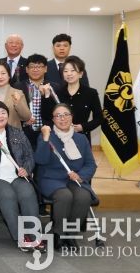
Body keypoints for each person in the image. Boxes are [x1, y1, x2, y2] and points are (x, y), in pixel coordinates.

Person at [0, 101, 45, 252]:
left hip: (16, 177)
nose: (0, 116)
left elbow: (29, 156)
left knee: (28, 193)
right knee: (7, 195)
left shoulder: (17, 132)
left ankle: (34, 236)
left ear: (8, 115)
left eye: (3, 113)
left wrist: (26, 169)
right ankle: (21, 237)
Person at [35, 104, 97, 249]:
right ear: (53, 120)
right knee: (64, 196)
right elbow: (40, 160)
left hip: (74, 179)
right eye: (58, 116)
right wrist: (45, 138)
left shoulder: (81, 139)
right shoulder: (47, 136)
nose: (62, 119)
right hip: (51, 178)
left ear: (71, 117)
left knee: (84, 196)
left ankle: (70, 234)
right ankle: (58, 234)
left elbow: (90, 164)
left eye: (65, 115)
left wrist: (80, 175)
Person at [16, 54, 59, 149]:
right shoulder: (18, 87)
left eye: (39, 66)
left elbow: (57, 110)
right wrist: (23, 122)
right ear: (27, 69)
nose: (35, 70)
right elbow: (14, 111)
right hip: (25, 133)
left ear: (45, 69)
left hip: (48, 132)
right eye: (32, 66)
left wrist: (47, 95)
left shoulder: (55, 87)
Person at [56, 56, 101, 143]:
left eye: (73, 70)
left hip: (82, 138)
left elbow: (99, 118)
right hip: (60, 138)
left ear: (80, 74)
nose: (69, 74)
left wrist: (83, 127)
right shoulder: (58, 93)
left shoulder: (91, 93)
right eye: (65, 71)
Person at [0, 60, 32, 128]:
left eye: (3, 73)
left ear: (9, 75)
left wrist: (18, 103)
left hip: (14, 132)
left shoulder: (18, 93)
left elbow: (27, 117)